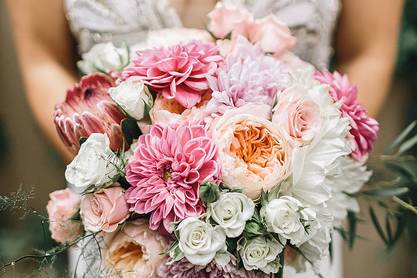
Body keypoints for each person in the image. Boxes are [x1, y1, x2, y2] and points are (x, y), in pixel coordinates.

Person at [5, 0, 404, 277]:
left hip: (282, 234)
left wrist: (280, 190)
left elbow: (369, 51)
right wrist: (120, 181)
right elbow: (42, 56)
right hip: (123, 237)